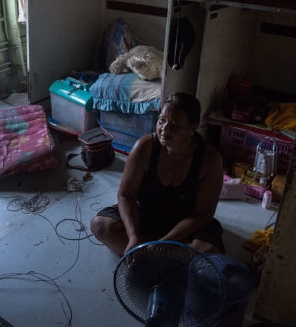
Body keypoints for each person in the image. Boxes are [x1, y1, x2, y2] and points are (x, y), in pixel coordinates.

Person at [90, 92, 225, 256]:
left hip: (185, 224)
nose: (164, 129)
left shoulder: (209, 160)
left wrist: (164, 243)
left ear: (192, 129)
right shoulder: (145, 147)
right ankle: (152, 254)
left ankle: (150, 254)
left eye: (174, 125)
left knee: (207, 251)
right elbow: (126, 195)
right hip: (147, 214)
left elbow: (202, 215)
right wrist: (133, 236)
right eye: (162, 121)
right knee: (101, 226)